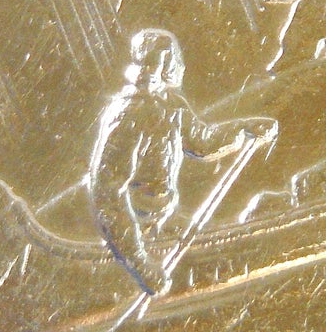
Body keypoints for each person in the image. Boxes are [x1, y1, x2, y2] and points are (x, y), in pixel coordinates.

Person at [88, 29, 275, 295]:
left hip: (165, 217)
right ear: (162, 63)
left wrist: (245, 128)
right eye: (173, 59)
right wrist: (141, 264)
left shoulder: (170, 103)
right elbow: (107, 195)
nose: (180, 66)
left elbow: (202, 142)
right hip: (136, 230)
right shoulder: (128, 114)